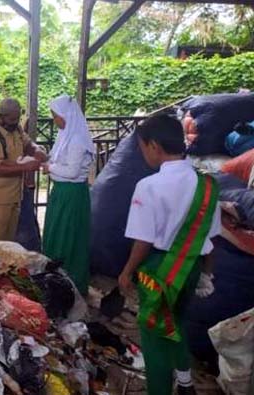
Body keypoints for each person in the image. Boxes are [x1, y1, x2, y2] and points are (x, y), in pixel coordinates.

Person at [117, 114, 220, 395]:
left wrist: (126, 272)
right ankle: (185, 381)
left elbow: (143, 241)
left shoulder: (149, 186)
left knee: (154, 335)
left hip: (159, 270)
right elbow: (212, 236)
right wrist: (207, 274)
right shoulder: (208, 185)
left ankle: (159, 390)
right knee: (178, 322)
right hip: (193, 267)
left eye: (141, 147)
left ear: (153, 146)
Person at [41, 95, 95, 295]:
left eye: (56, 116)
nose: (55, 120)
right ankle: (54, 280)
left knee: (68, 236)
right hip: (62, 192)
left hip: (71, 194)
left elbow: (72, 172)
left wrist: (49, 167)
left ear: (67, 115)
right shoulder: (66, 136)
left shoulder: (77, 141)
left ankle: (70, 283)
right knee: (57, 233)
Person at [0, 98, 46, 241]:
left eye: (17, 119)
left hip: (14, 197)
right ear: (0, 117)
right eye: (11, 119)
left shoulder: (16, 129)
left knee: (9, 245)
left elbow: (27, 143)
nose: (15, 122)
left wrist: (37, 150)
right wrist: (25, 167)